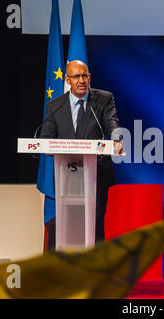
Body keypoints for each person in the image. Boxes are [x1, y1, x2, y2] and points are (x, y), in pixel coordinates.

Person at [40, 60, 123, 244]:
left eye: (84, 75)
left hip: (96, 175)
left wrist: (117, 139)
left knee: (96, 226)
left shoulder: (104, 99)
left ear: (89, 77)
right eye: (76, 76)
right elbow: (46, 139)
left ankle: (96, 268)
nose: (81, 80)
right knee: (69, 225)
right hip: (67, 176)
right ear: (68, 80)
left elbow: (112, 122)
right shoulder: (55, 106)